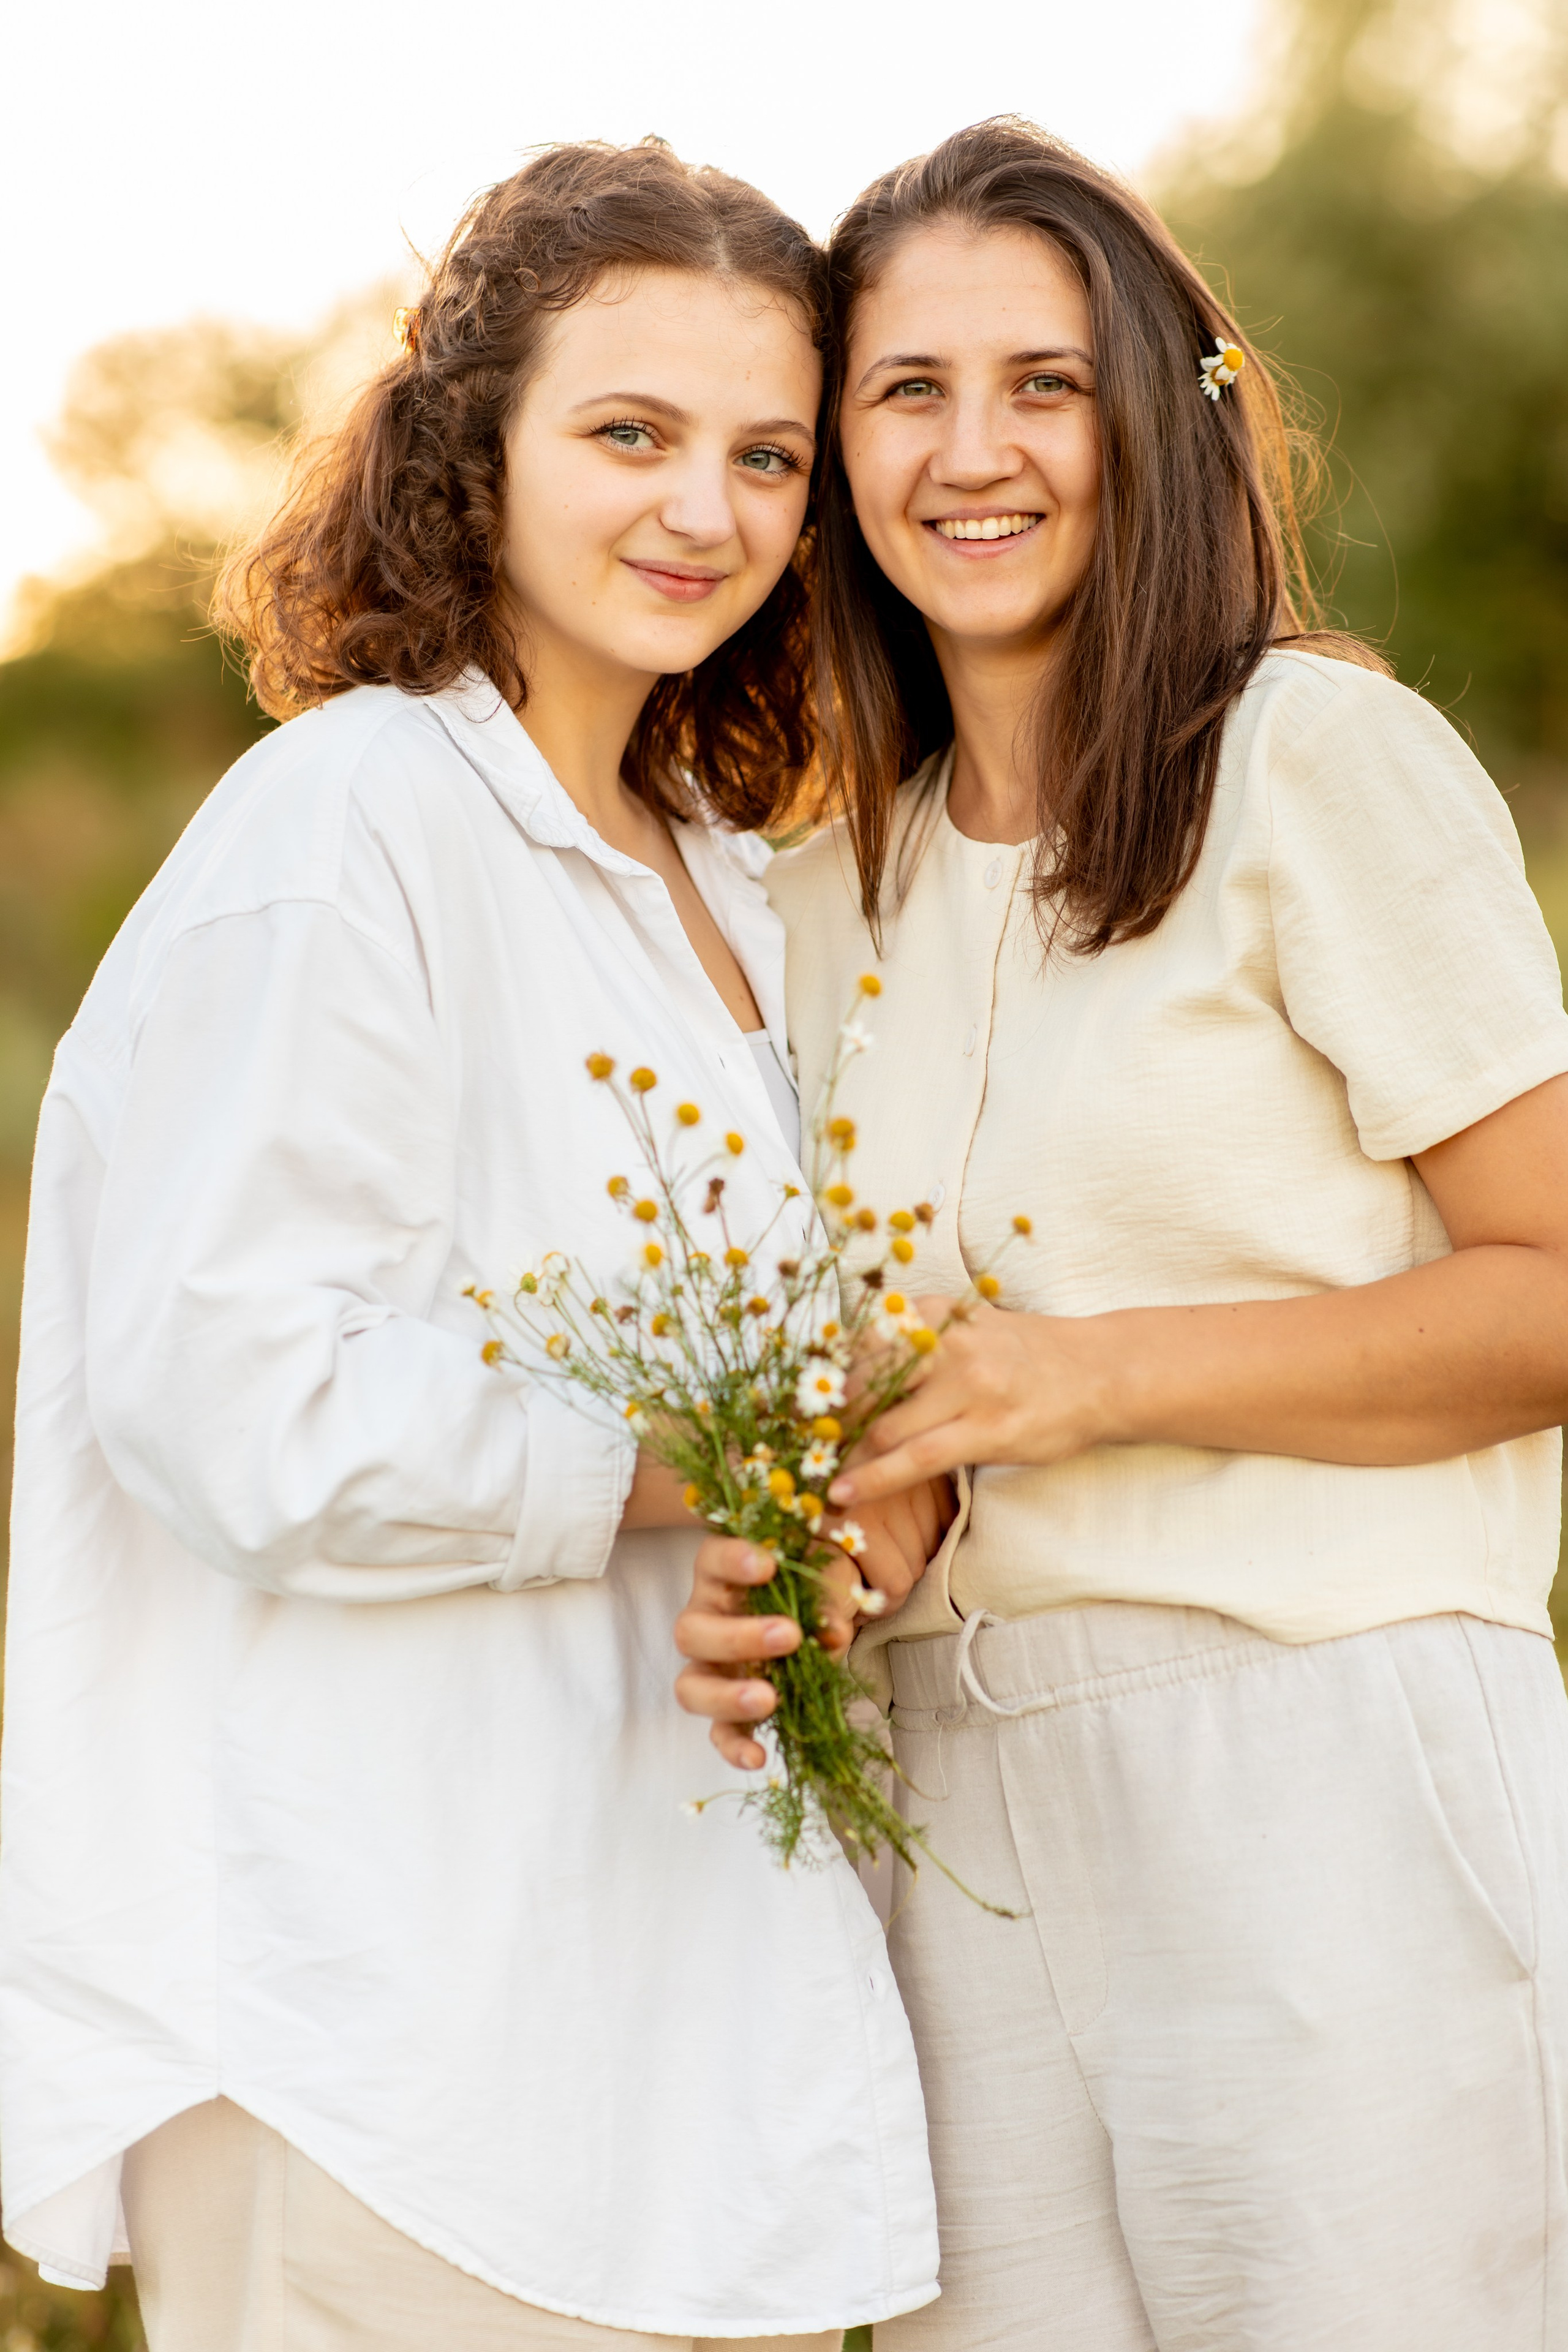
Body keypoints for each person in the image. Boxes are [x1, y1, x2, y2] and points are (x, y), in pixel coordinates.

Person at [0, 140, 941, 2352]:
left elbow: (788, 1394)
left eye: (765, 456)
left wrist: (835, 1518)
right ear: (473, 447)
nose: (701, 510)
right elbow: (232, 1394)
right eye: (628, 433)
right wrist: (702, 1471)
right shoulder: (353, 827)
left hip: (645, 2044)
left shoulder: (720, 871)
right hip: (378, 2037)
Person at [676, 118, 1568, 2351]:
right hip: (951, 1807)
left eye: (1044, 385)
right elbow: (896, 1395)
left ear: (1166, 414)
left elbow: (1551, 1284)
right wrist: (835, 1544)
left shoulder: (1309, 762)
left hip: (1320, 1760)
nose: (975, 455)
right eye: (909, 392)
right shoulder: (810, 895)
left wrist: (1089, 1378)